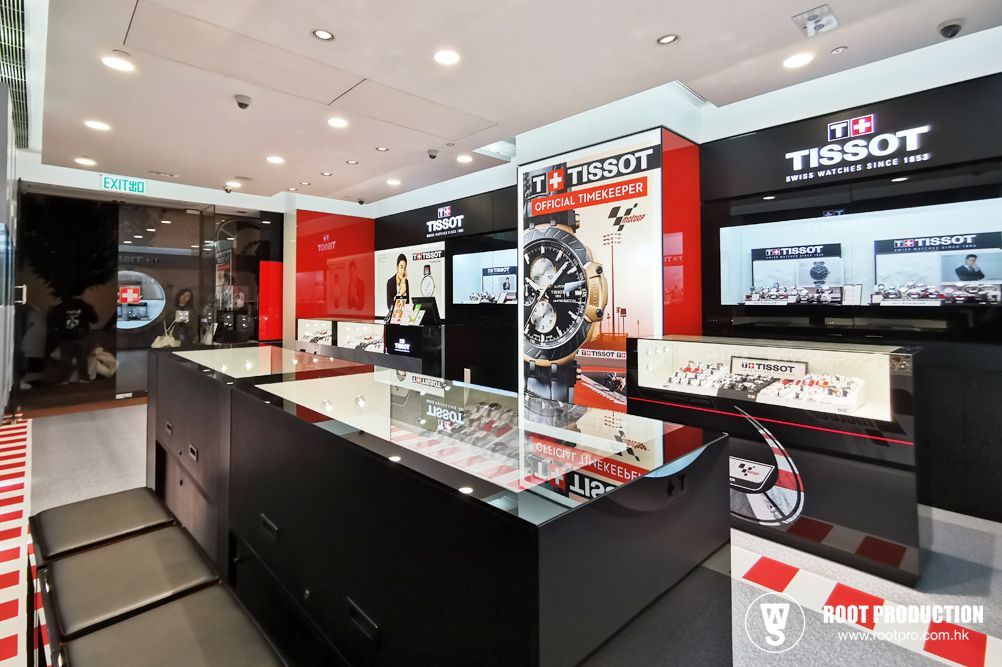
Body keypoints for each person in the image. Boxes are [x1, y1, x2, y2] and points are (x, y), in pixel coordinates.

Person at [49, 294, 98, 382]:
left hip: (65, 336)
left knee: (66, 360)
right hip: (81, 336)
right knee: (82, 359)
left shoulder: (59, 308)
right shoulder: (85, 306)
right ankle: (83, 378)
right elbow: (94, 320)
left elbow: (53, 322)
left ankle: (63, 380)